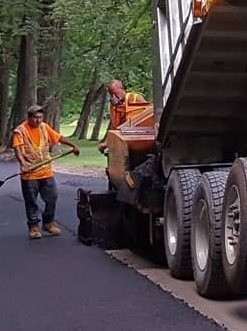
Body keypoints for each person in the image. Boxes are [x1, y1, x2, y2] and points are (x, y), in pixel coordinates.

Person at [11, 104, 80, 239]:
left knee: (52, 197)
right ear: (29, 118)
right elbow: (18, 150)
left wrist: (73, 145)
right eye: (35, 118)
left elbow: (58, 137)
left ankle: (48, 223)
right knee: (31, 201)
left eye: (40, 118)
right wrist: (23, 164)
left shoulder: (44, 127)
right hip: (29, 173)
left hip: (46, 171)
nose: (38, 121)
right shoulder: (20, 131)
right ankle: (34, 227)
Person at [97, 80, 151, 154]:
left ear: (122, 89)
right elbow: (115, 126)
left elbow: (147, 117)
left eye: (115, 93)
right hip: (122, 138)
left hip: (138, 137)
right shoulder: (114, 107)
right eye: (111, 94)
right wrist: (106, 143)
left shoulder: (135, 98)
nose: (114, 97)